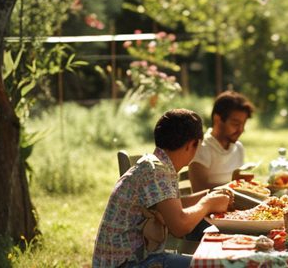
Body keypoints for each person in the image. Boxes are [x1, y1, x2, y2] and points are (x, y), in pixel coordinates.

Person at [92, 109, 231, 268]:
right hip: (130, 263)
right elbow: (179, 226)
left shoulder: (157, 164)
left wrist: (210, 196)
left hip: (133, 260)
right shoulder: (156, 171)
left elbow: (171, 207)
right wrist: (208, 204)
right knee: (218, 266)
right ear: (192, 144)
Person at [188, 90, 255, 192]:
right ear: (217, 119)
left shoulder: (238, 147)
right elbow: (199, 189)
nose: (241, 130)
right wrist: (235, 185)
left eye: (243, 124)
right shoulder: (202, 148)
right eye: (236, 124)